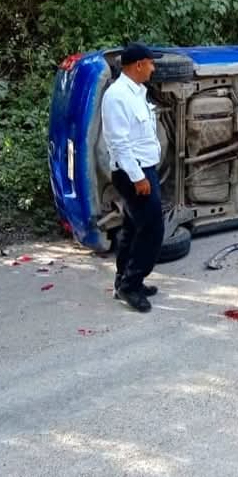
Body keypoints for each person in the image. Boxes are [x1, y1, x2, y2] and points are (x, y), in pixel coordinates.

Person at [102, 43, 165, 312]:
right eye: (151, 63)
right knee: (152, 229)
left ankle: (125, 282)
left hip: (142, 168)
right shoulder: (117, 96)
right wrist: (138, 177)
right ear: (138, 64)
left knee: (132, 227)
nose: (154, 68)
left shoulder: (137, 92)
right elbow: (119, 143)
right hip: (132, 172)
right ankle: (131, 286)